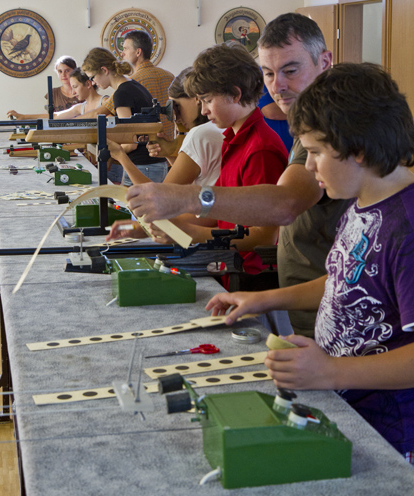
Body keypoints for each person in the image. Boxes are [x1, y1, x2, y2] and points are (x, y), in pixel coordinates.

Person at [206, 62, 414, 462]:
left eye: (316, 152)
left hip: (392, 431)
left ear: (359, 149)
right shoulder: (361, 203)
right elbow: (347, 281)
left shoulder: (406, 228)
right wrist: (266, 299)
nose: (309, 167)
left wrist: (331, 371)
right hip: (349, 405)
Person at [125, 13, 350, 337]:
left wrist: (186, 199)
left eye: (290, 70)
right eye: (270, 73)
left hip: (331, 321)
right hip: (311, 310)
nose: (278, 86)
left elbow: (283, 205)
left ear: (325, 62)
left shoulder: (329, 130)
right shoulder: (305, 130)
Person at [114, 42, 287, 279]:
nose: (203, 110)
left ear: (235, 94)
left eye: (206, 100)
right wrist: (165, 227)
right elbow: (222, 214)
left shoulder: (260, 150)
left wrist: (190, 233)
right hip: (225, 264)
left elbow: (264, 236)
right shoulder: (232, 139)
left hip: (245, 276)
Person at [106, 67, 223, 189]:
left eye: (177, 106)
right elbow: (191, 180)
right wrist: (168, 154)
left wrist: (121, 156)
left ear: (196, 99)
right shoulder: (214, 129)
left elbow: (161, 194)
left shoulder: (199, 135)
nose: (177, 118)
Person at [81, 47, 168, 185]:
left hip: (143, 165)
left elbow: (130, 142)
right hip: (154, 164)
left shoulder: (121, 94)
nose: (92, 83)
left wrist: (108, 151)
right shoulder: (133, 86)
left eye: (92, 77)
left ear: (104, 70)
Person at [81, 31, 175, 140]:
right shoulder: (169, 76)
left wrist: (67, 122)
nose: (122, 53)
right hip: (169, 142)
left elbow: (101, 112)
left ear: (138, 52)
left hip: (149, 145)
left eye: (125, 48)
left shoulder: (131, 82)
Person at [7, 55, 79, 119]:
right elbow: (51, 117)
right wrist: (23, 117)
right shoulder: (52, 93)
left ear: (74, 71)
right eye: (60, 71)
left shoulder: (83, 90)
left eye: (67, 71)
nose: (63, 74)